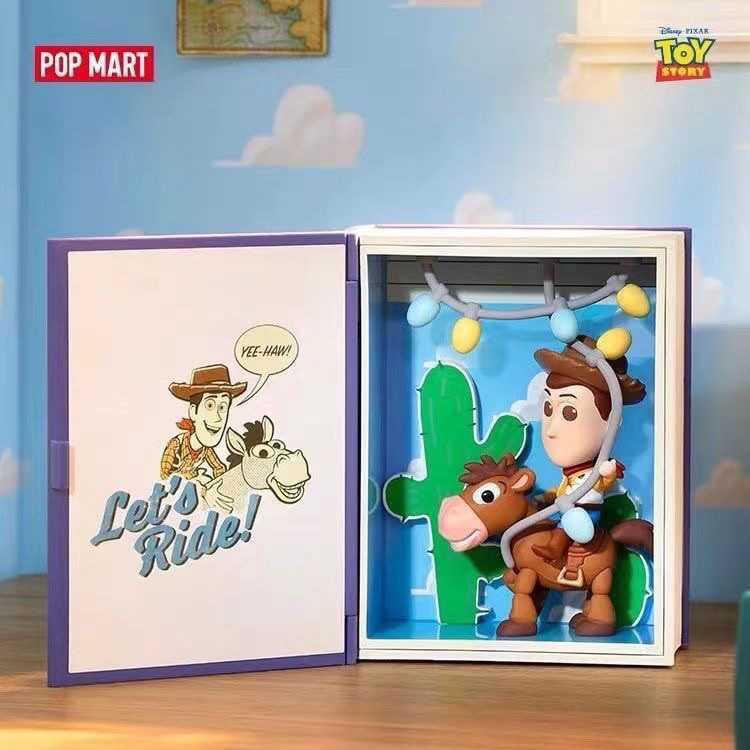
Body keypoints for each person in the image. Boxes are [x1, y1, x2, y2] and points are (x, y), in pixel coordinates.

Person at [531, 336, 646, 569]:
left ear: (611, 423)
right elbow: (565, 490)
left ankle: (555, 549)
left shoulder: (594, 473)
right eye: (548, 408)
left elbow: (602, 482)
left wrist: (607, 472)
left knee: (564, 524)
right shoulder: (571, 474)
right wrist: (547, 496)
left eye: (570, 413)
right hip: (570, 507)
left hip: (586, 512)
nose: (551, 429)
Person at [159, 364, 247, 487]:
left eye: (222, 407)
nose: (218, 417)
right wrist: (190, 482)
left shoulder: (205, 449)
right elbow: (163, 476)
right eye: (210, 405)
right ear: (193, 412)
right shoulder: (176, 445)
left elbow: (219, 468)